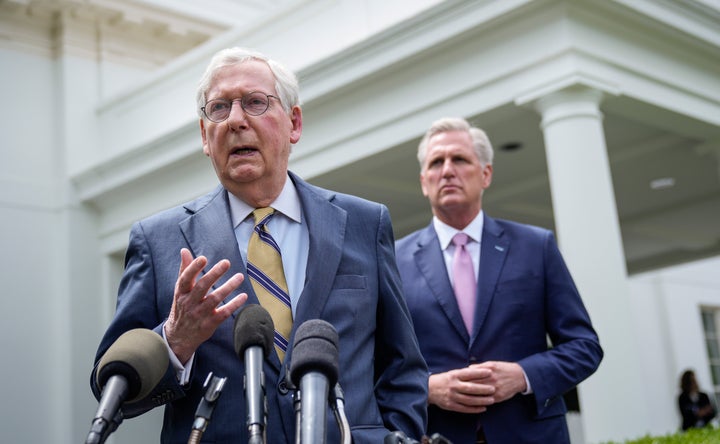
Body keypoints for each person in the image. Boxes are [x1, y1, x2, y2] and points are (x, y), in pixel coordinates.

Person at [90, 46, 428, 444]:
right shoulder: (158, 240)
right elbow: (112, 388)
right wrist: (175, 341)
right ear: (204, 135)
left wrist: (397, 437)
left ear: (294, 123)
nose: (235, 120)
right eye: (218, 108)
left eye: (254, 103)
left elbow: (403, 366)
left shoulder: (365, 224)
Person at [395, 117, 603, 443]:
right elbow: (371, 363)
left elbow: (584, 347)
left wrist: (523, 376)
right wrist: (427, 388)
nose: (447, 170)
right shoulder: (392, 260)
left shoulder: (537, 247)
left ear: (486, 174)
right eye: (437, 162)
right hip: (434, 433)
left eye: (460, 159)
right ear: (424, 181)